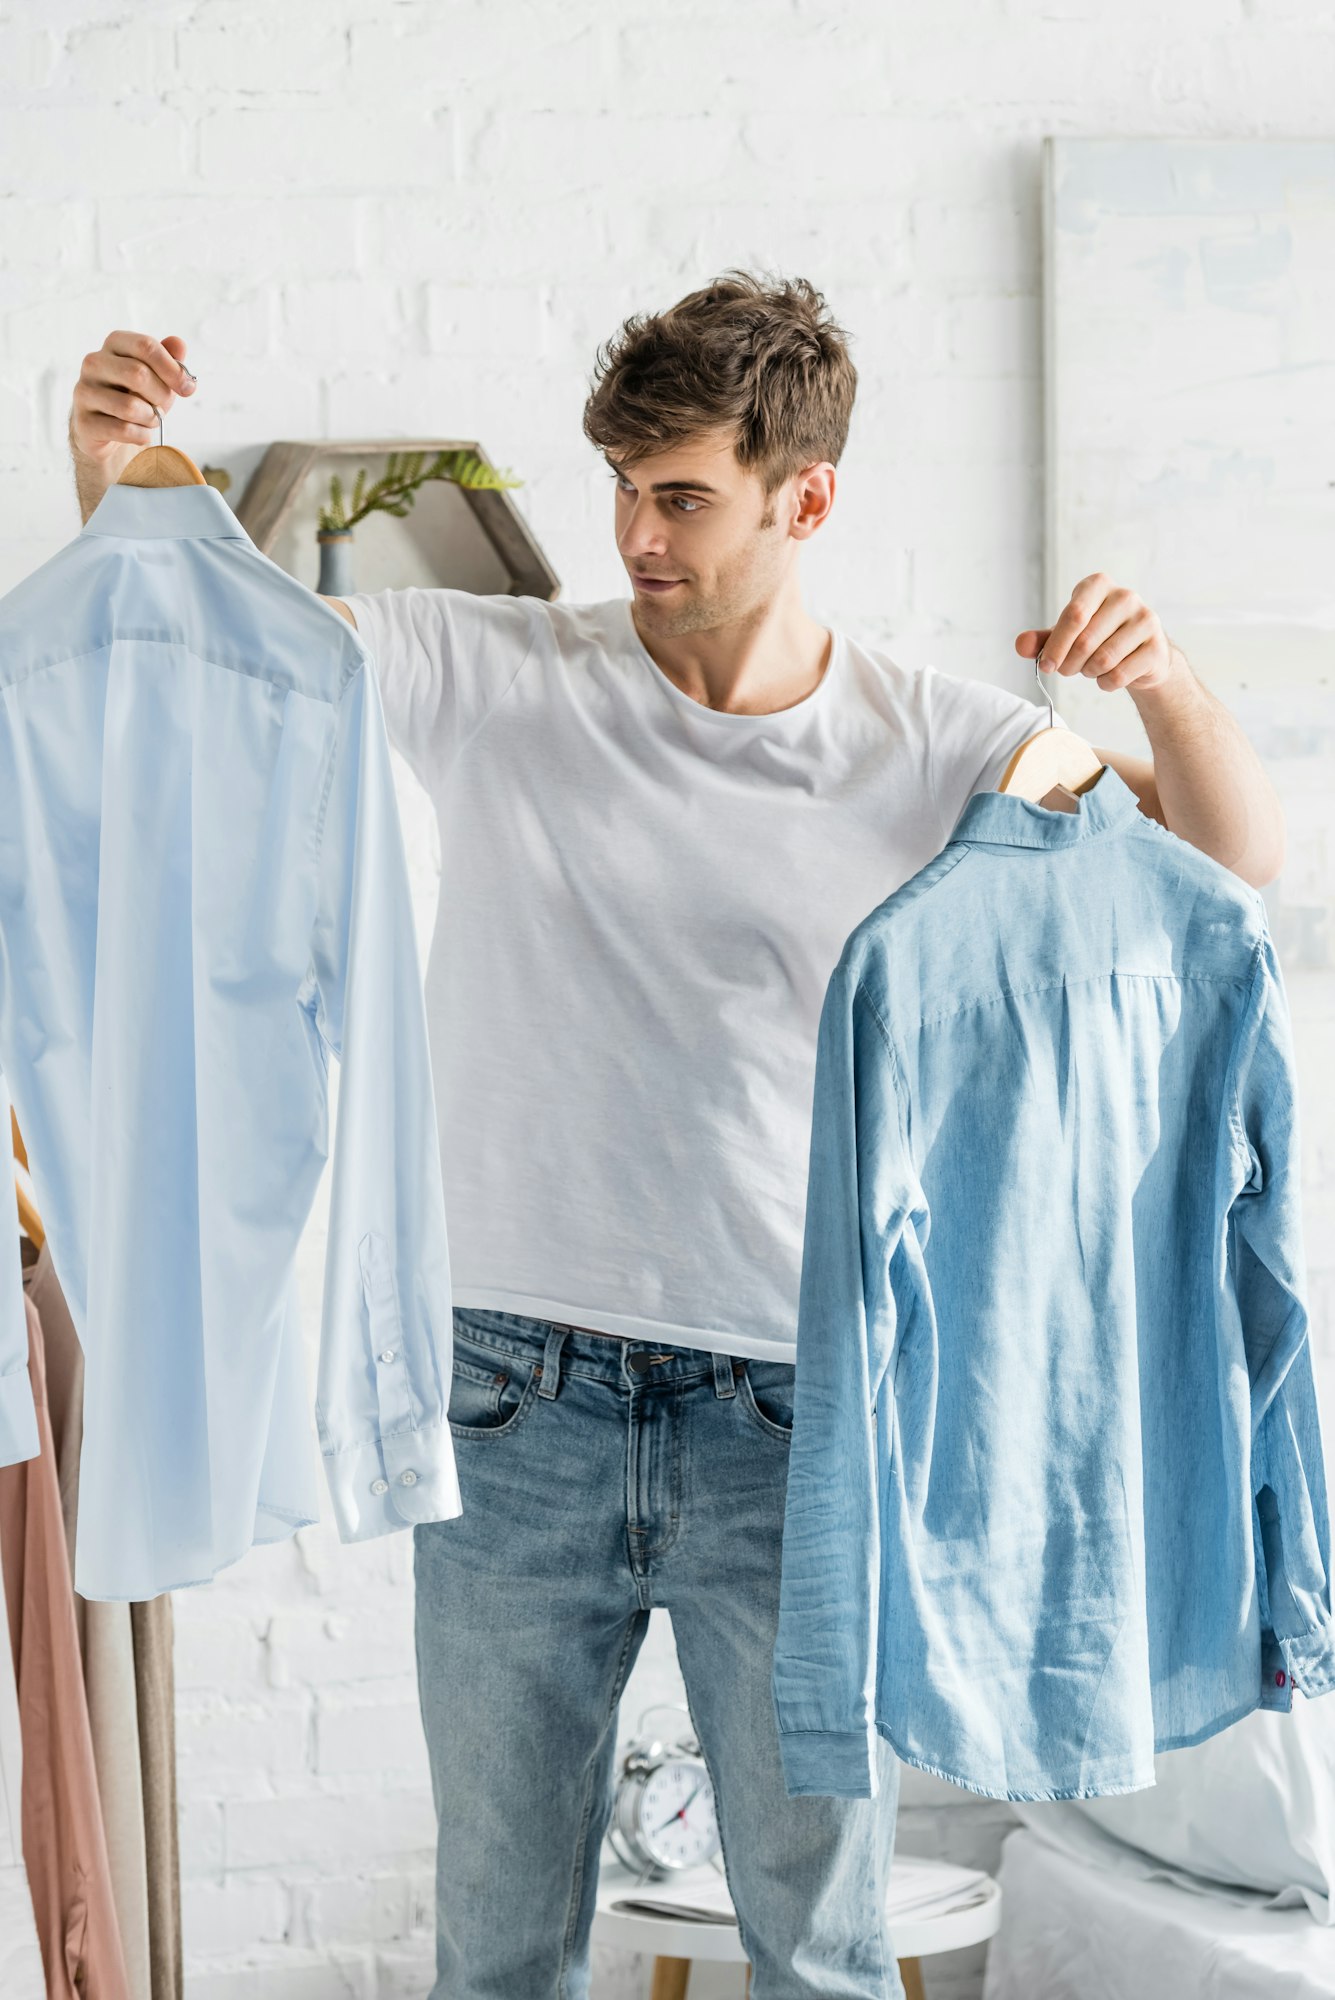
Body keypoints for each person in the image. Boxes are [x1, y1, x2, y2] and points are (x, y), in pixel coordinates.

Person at [69, 274, 1285, 2000]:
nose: (639, 536)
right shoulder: (492, 674)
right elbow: (211, 667)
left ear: (809, 500)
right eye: (625, 488)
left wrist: (1159, 683)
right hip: (508, 1407)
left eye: (686, 496)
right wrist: (108, 478)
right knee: (497, 1952)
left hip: (792, 1417)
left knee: (823, 1952)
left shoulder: (934, 740)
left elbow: (1230, 869)